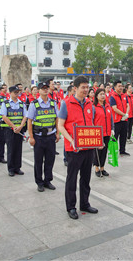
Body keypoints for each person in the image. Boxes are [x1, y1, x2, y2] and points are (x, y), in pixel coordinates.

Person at [57, 75, 100, 219]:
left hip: (88, 148)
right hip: (73, 149)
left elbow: (92, 124)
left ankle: (85, 203)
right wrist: (71, 140)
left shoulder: (89, 104)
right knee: (72, 178)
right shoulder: (66, 103)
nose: (86, 90)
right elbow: (60, 126)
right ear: (75, 88)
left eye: (87, 87)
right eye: (83, 87)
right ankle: (71, 207)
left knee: (86, 178)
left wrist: (98, 141)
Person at [27, 80, 59, 192]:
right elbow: (29, 121)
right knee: (39, 161)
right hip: (39, 137)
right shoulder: (34, 104)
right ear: (38, 91)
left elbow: (57, 119)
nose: (45, 90)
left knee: (50, 159)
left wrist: (58, 133)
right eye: (43, 88)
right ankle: (39, 182)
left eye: (46, 88)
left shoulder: (53, 103)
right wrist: (31, 137)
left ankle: (48, 180)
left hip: (50, 136)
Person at [1, 85, 28, 177]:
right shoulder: (6, 103)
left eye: (18, 92)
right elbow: (4, 117)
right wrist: (13, 126)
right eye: (15, 92)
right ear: (10, 93)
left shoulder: (21, 103)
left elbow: (25, 116)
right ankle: (11, 168)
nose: (17, 94)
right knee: (11, 149)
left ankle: (17, 167)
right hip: (10, 130)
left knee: (18, 148)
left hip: (19, 129)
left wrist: (20, 126)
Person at [92, 88, 114, 177]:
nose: (103, 96)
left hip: (107, 132)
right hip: (98, 133)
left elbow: (111, 119)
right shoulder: (94, 107)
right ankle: (96, 168)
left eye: (104, 94)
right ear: (96, 96)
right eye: (101, 94)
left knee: (104, 151)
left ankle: (102, 168)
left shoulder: (108, 106)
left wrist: (112, 129)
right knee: (98, 152)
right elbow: (91, 120)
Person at [110, 81, 130, 156]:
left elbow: (128, 105)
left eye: (121, 86)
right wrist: (124, 114)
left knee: (124, 135)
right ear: (115, 87)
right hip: (116, 120)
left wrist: (126, 114)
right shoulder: (113, 96)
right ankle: (113, 151)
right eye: (119, 86)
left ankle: (122, 150)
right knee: (115, 136)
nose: (121, 87)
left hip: (124, 119)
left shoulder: (124, 96)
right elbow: (114, 108)